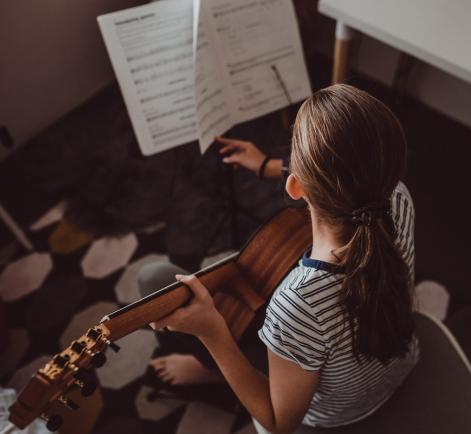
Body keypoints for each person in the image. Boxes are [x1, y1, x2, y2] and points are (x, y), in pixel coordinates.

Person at [142, 84, 419, 433]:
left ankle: (214, 369)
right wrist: (270, 166)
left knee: (154, 278)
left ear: (295, 186)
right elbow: (354, 170)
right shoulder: (397, 197)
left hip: (335, 416)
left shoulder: (298, 303)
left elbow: (279, 423)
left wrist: (211, 331)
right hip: (397, 361)